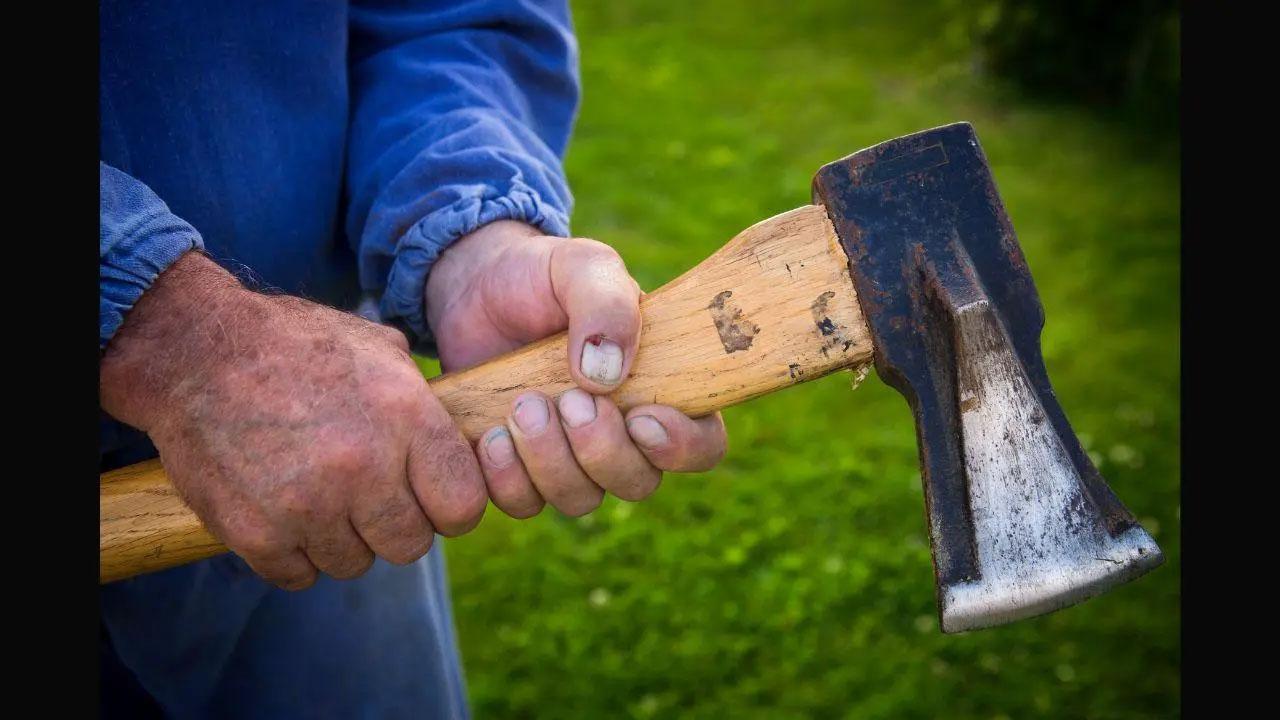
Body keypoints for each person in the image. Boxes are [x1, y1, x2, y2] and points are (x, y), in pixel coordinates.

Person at [99, 1, 728, 716]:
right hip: (295, 405)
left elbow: (447, 16)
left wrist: (470, 233)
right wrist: (172, 336)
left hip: (339, 437)